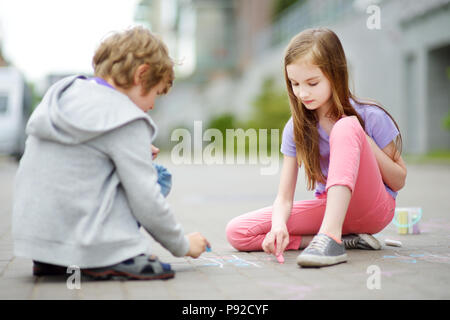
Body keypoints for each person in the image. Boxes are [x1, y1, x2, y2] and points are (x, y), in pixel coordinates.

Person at [12, 26, 210, 280]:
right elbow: (146, 198)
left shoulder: (63, 95)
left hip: (38, 240)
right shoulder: (125, 117)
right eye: (155, 94)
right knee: (157, 176)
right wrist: (183, 244)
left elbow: (82, 153)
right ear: (142, 74)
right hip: (88, 243)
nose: (150, 106)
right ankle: (116, 254)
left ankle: (59, 261)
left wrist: (132, 148)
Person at [226, 27, 407, 267]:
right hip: (329, 208)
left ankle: (331, 239)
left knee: (345, 127)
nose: (302, 93)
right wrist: (279, 225)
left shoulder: (369, 116)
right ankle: (342, 239)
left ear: (335, 75)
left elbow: (399, 181)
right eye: (294, 84)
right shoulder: (296, 127)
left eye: (312, 83)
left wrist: (364, 139)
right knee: (238, 232)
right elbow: (284, 197)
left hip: (374, 209)